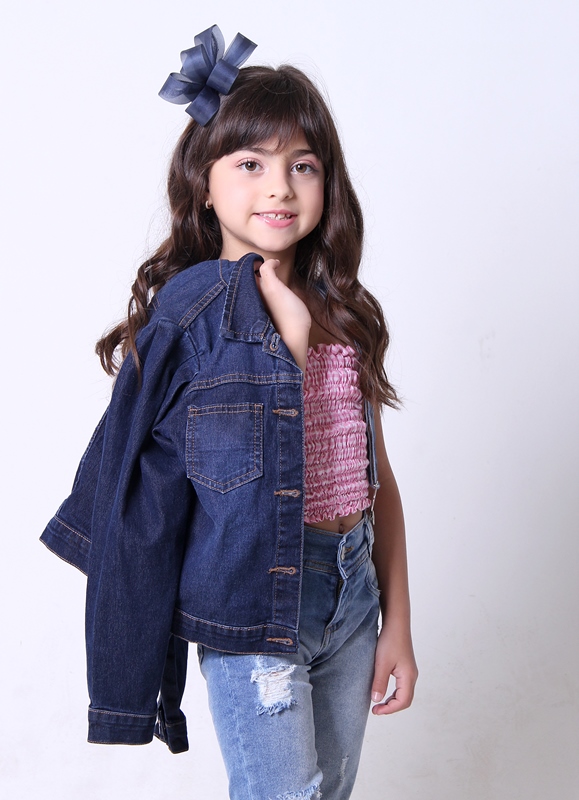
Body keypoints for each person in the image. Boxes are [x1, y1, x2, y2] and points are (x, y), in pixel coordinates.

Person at [41, 25, 418, 800]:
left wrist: (397, 626)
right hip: (255, 607)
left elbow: (375, 477)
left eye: (301, 166)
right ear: (203, 183)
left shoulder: (344, 312)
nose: (278, 188)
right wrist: (287, 343)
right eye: (250, 164)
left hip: (350, 596)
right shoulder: (192, 312)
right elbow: (143, 488)